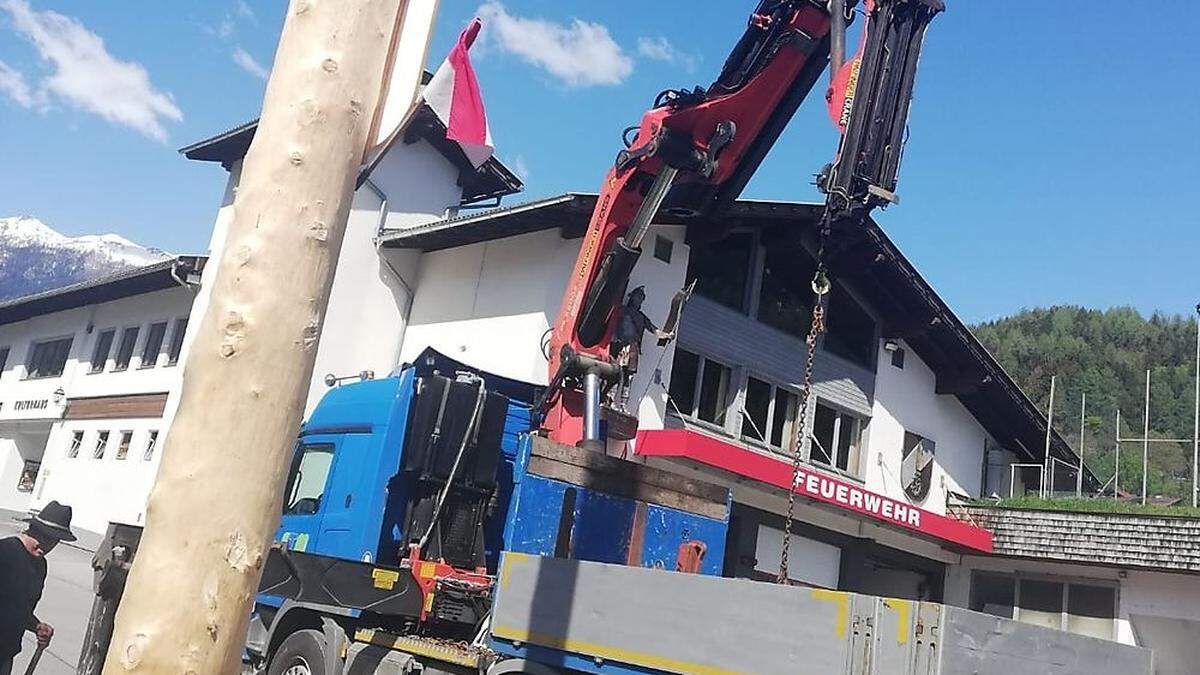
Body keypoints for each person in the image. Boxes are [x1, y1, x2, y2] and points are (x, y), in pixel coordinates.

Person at [0, 500, 75, 675]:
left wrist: (36, 626)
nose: (47, 546)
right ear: (33, 529)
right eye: (45, 537)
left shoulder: (40, 566)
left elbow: (19, 608)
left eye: (54, 541)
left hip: (5, 654)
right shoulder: (4, 552)